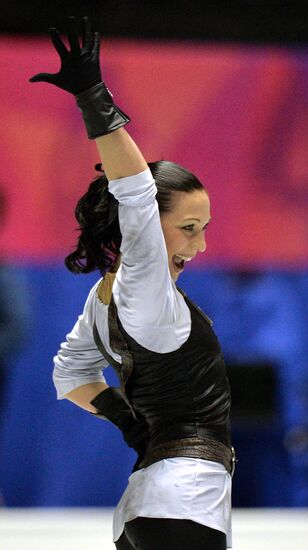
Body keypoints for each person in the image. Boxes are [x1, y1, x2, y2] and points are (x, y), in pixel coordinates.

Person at [30, 16, 234, 550]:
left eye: (205, 229)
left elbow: (68, 374)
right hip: (183, 504)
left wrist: (131, 424)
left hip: (149, 506)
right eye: (187, 229)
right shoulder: (145, 291)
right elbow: (137, 193)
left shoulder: (103, 301)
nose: (200, 245)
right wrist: (94, 98)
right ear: (144, 234)